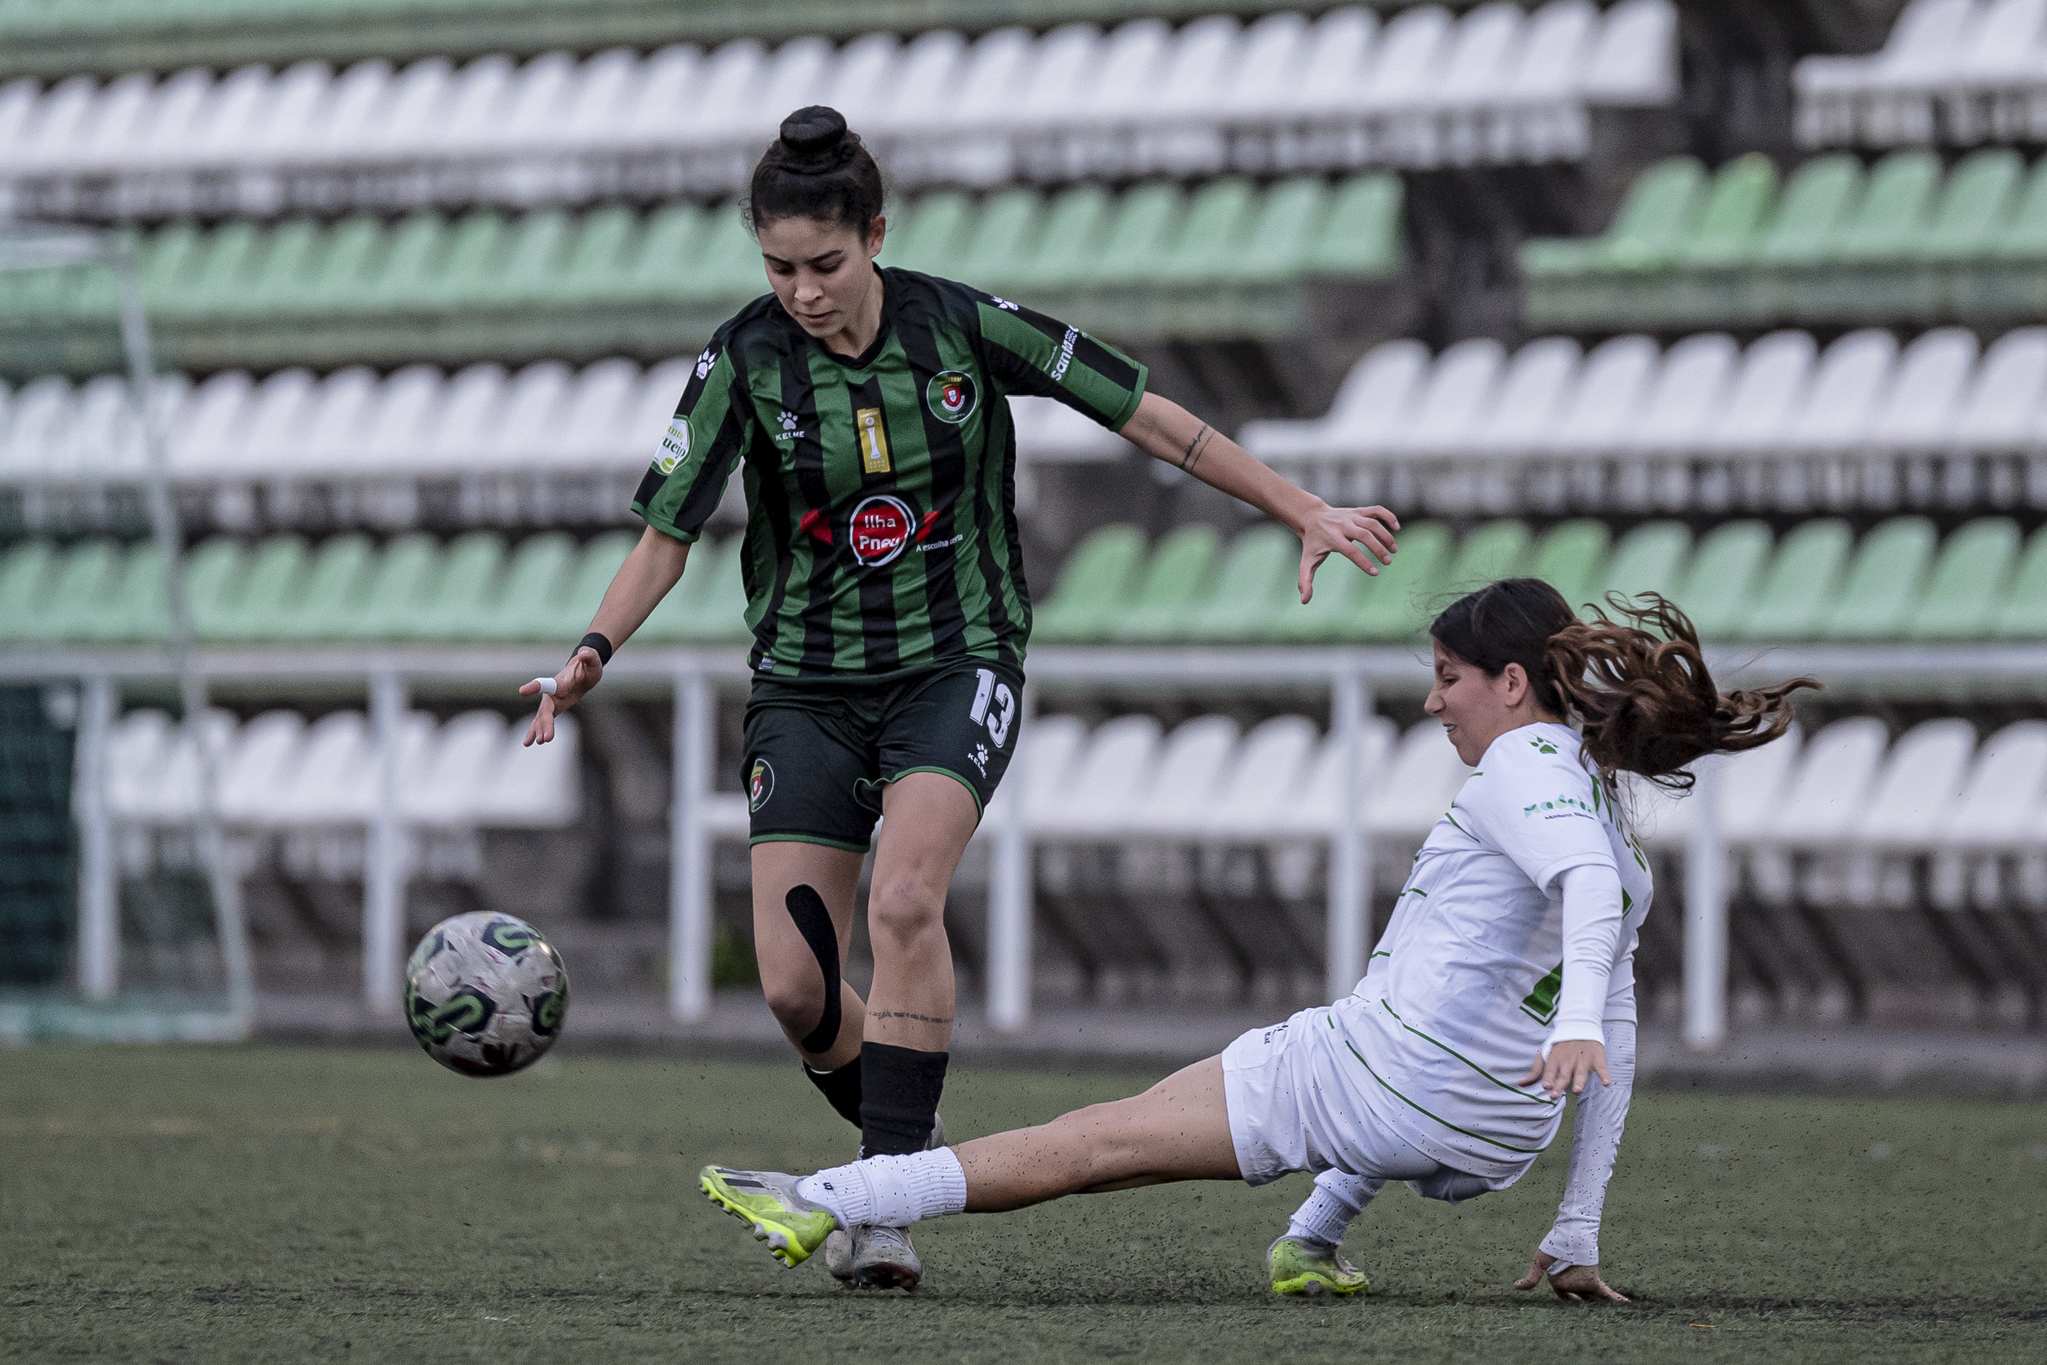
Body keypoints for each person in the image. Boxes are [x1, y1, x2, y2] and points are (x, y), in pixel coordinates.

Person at [520, 105, 1402, 1291]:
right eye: (778, 267)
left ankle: (885, 1206)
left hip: (956, 661)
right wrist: (591, 651)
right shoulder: (744, 361)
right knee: (790, 987)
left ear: (875, 235)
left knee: (904, 899)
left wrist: (1297, 506)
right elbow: (662, 538)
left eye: (825, 265)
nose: (803, 292)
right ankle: (910, 1150)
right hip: (805, 686)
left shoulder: (963, 327)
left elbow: (1144, 414)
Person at [697, 580, 1818, 1297]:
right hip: (1493, 1141)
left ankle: (829, 1200)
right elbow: (1614, 1008)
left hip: (1387, 1083)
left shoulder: (1526, 767)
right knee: (1375, 1025)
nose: (1435, 706)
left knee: (1101, 1139)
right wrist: (1574, 1224)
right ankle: (1311, 1240)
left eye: (1448, 680)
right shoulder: (1611, 804)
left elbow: (1579, 922)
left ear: (1511, 685)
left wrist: (1570, 1021)